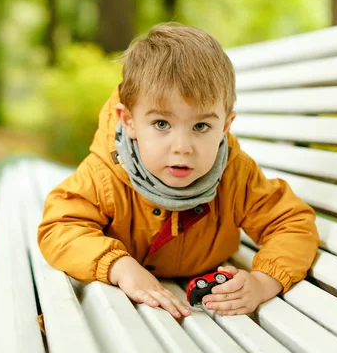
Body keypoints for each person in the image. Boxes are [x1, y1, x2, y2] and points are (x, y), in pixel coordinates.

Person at [37, 22, 320, 319]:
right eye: (162, 124)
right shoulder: (105, 173)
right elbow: (60, 226)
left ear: (225, 126)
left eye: (201, 126)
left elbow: (291, 223)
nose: (182, 147)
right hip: (126, 296)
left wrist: (264, 282)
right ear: (129, 121)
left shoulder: (236, 174)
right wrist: (119, 266)